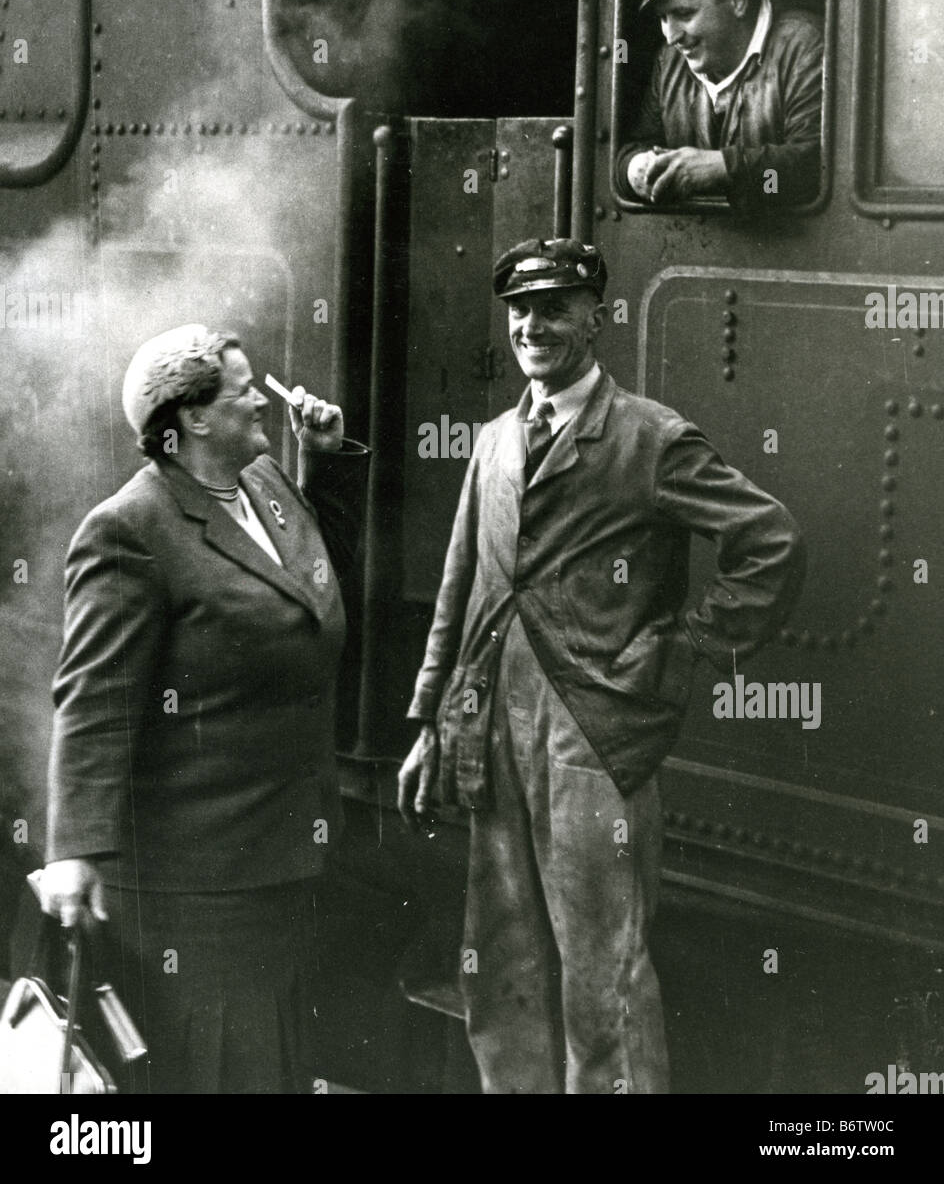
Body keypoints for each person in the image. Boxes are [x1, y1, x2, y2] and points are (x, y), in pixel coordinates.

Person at [397, 238, 805, 1094]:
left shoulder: (649, 437)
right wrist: (430, 717)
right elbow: (461, 585)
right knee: (498, 967)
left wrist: (684, 643)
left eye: (553, 308)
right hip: (493, 735)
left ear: (596, 317)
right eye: (519, 312)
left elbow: (769, 541)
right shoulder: (498, 440)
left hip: (595, 734)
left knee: (603, 977)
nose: (532, 326)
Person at [39, 324, 368, 1093]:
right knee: (216, 1062)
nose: (263, 398)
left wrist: (326, 465)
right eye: (242, 388)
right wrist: (73, 850)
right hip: (198, 877)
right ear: (191, 419)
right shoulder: (131, 529)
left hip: (277, 846)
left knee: (263, 1059)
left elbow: (314, 593)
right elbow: (92, 698)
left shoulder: (263, 485)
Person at [616, 0, 823, 208]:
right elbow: (630, 149)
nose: (671, 36)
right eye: (664, 18)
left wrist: (722, 169)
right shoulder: (670, 61)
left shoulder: (806, 45)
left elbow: (814, 168)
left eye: (684, 14)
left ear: (737, 1)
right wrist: (635, 169)